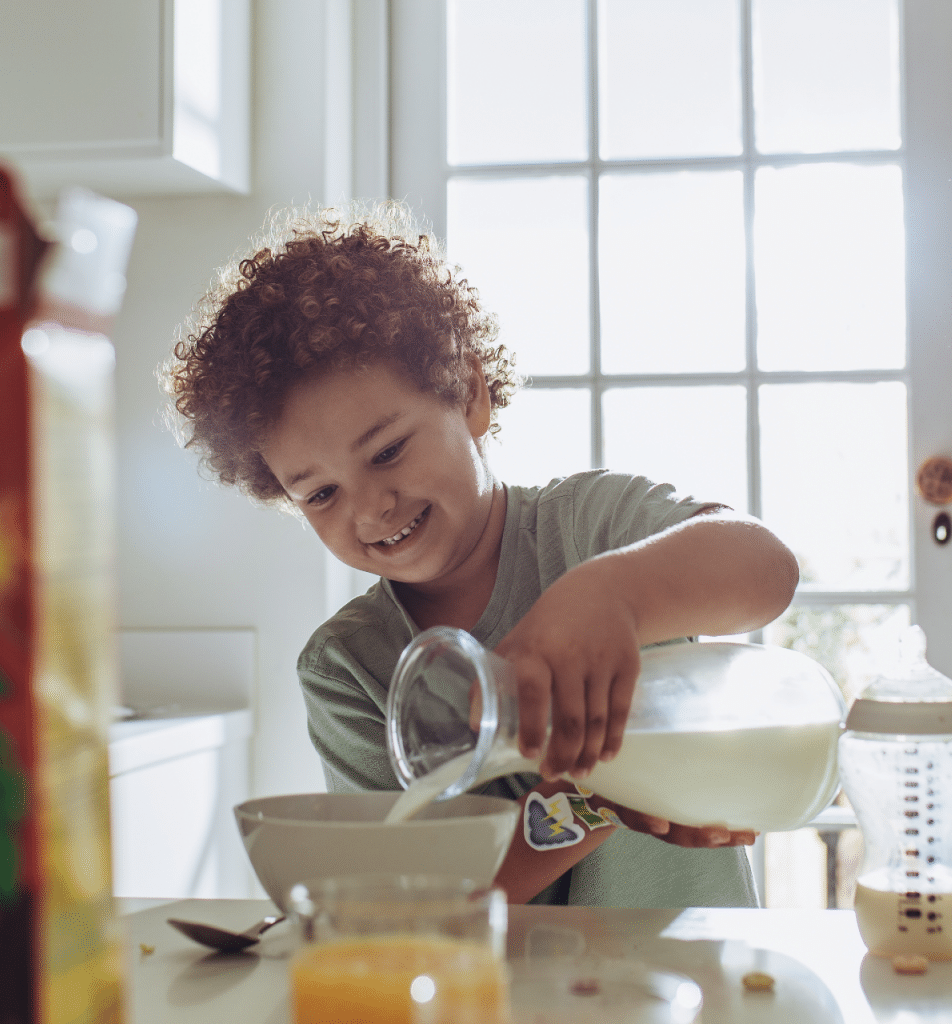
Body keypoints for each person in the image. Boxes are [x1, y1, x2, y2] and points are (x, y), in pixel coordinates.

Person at [163, 204, 800, 907]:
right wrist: (590, 800)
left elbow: (766, 569)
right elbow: (419, 896)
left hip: (703, 981)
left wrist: (614, 595)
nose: (370, 507)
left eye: (388, 451)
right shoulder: (349, 667)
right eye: (320, 494)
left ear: (469, 394)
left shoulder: (595, 529)